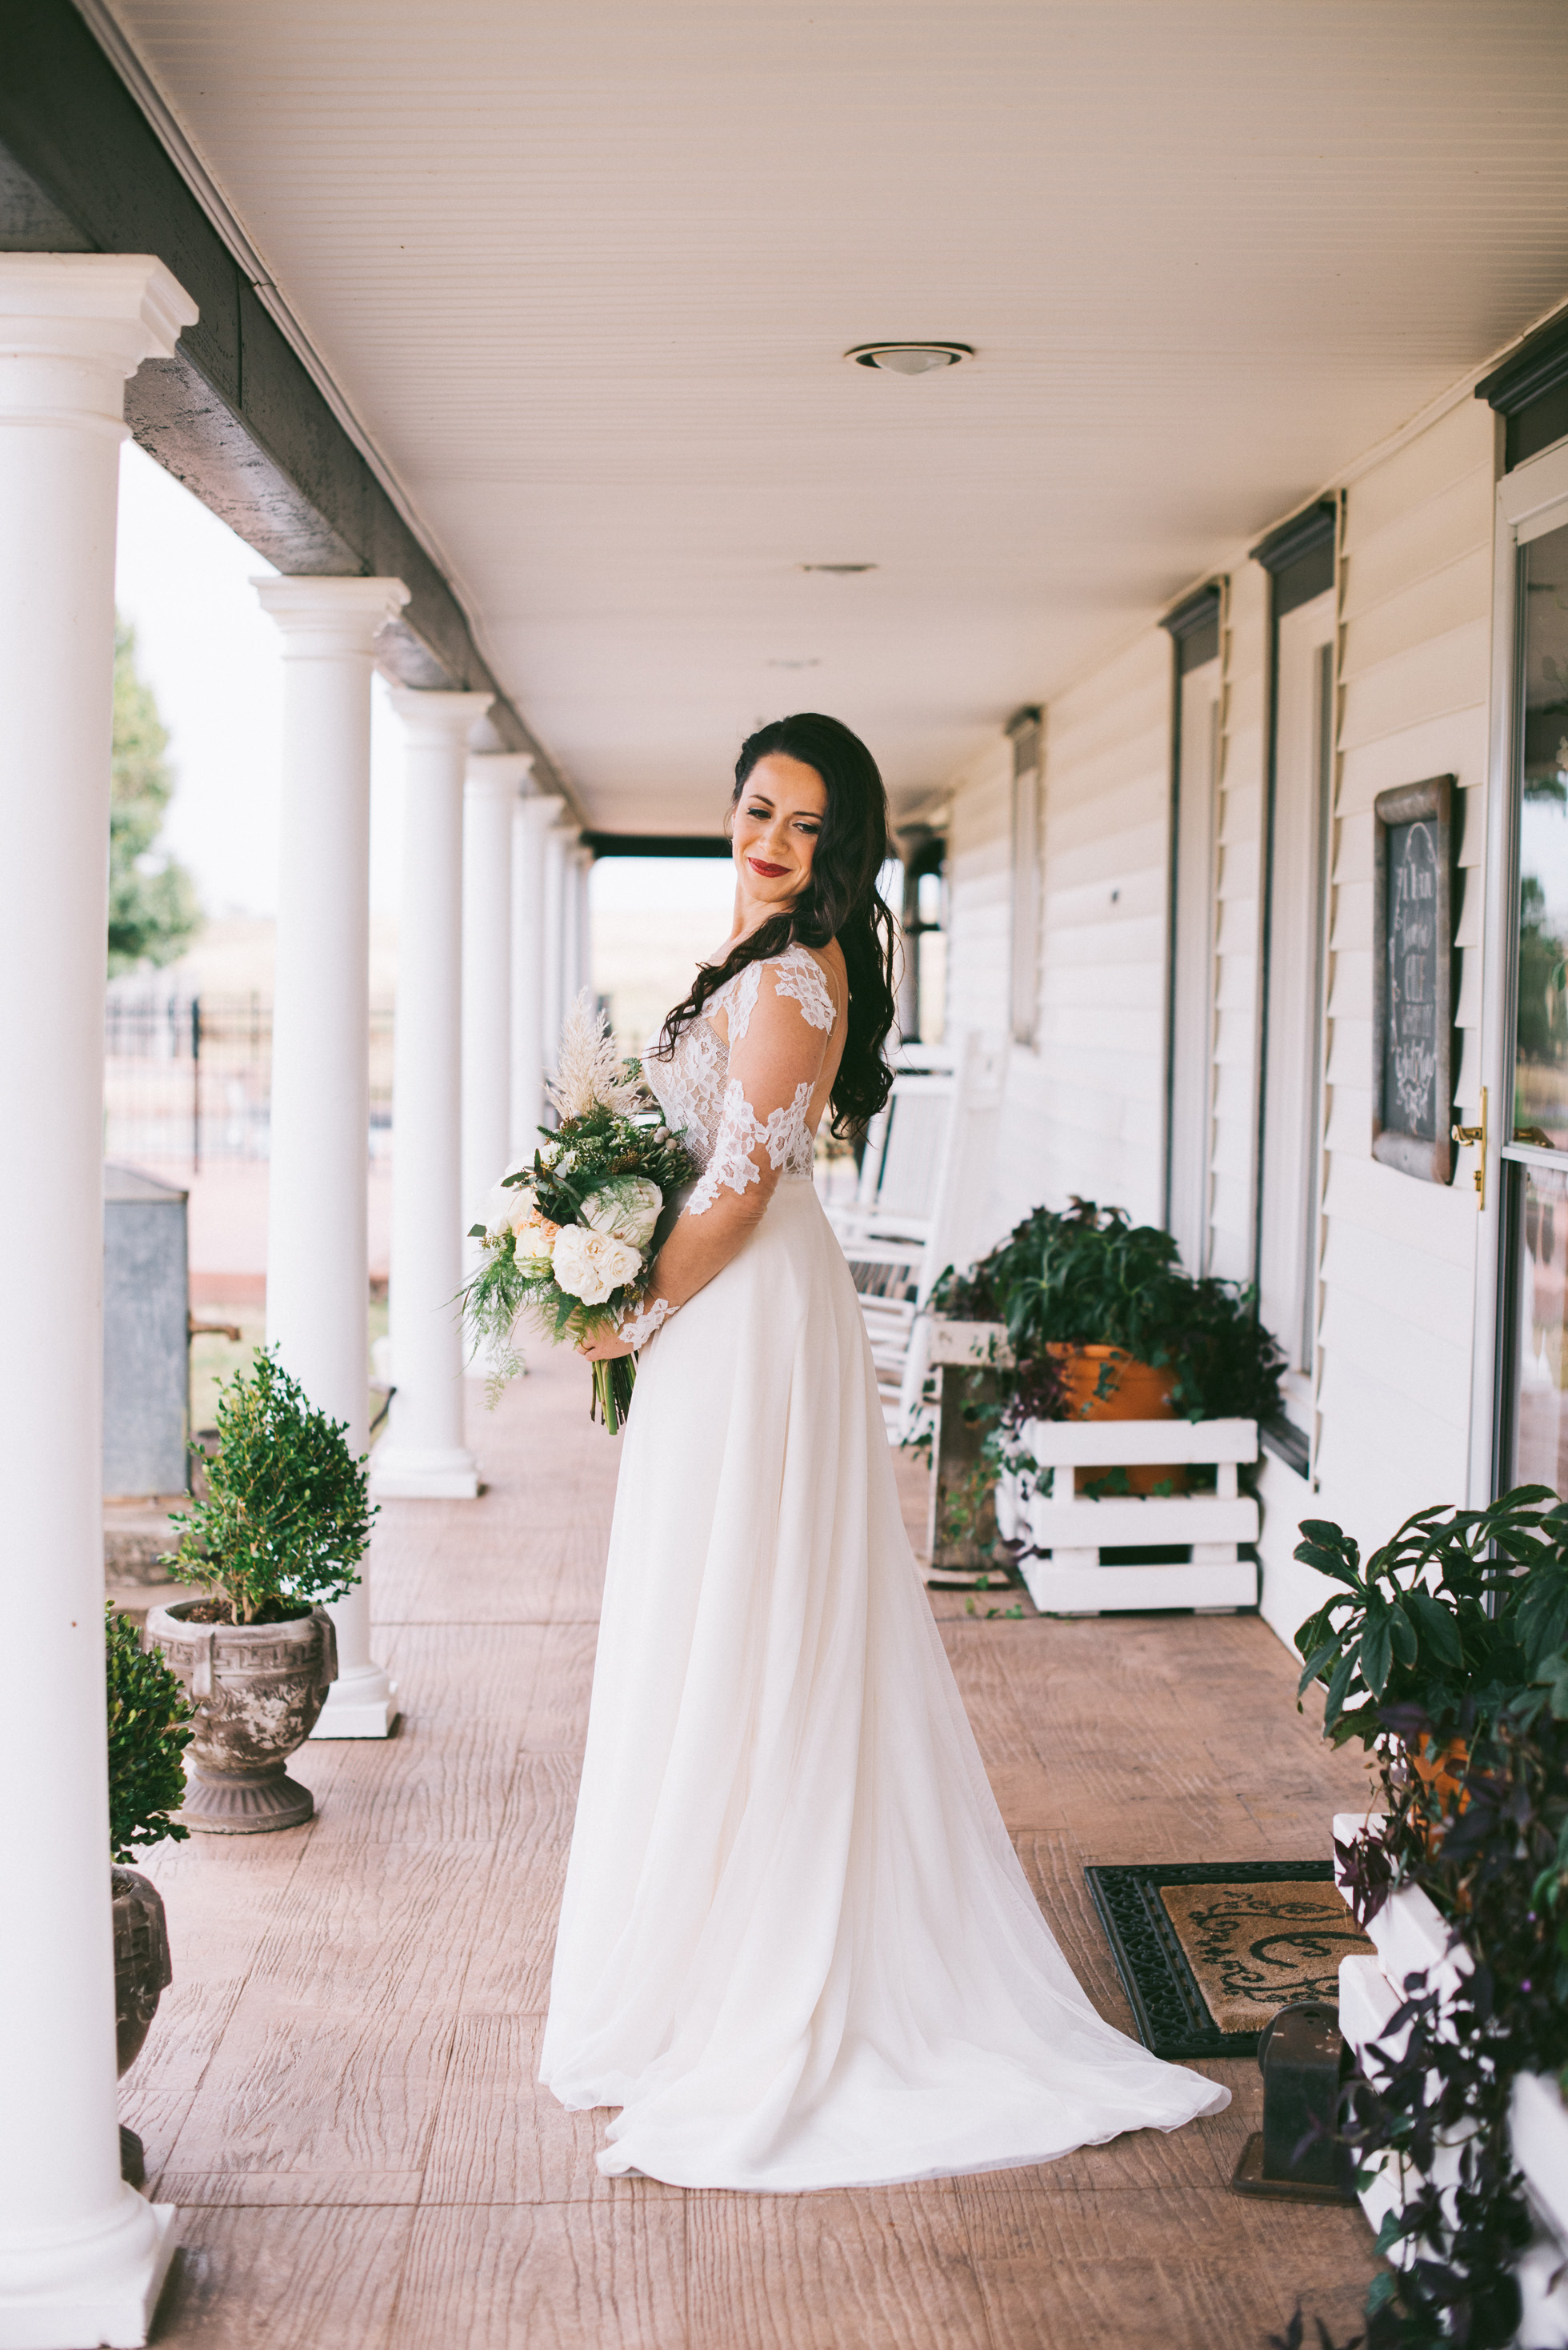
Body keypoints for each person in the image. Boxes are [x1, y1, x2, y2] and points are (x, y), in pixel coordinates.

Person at [538, 712, 1227, 2190]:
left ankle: (763, 1968)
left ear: (839, 845)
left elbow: (732, 1196)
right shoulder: (757, 959)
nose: (771, 840)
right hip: (720, 1309)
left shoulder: (798, 977)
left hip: (742, 1306)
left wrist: (626, 1311)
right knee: (712, 1609)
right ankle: (698, 1949)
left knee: (753, 1616)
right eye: (756, 809)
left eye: (804, 824)